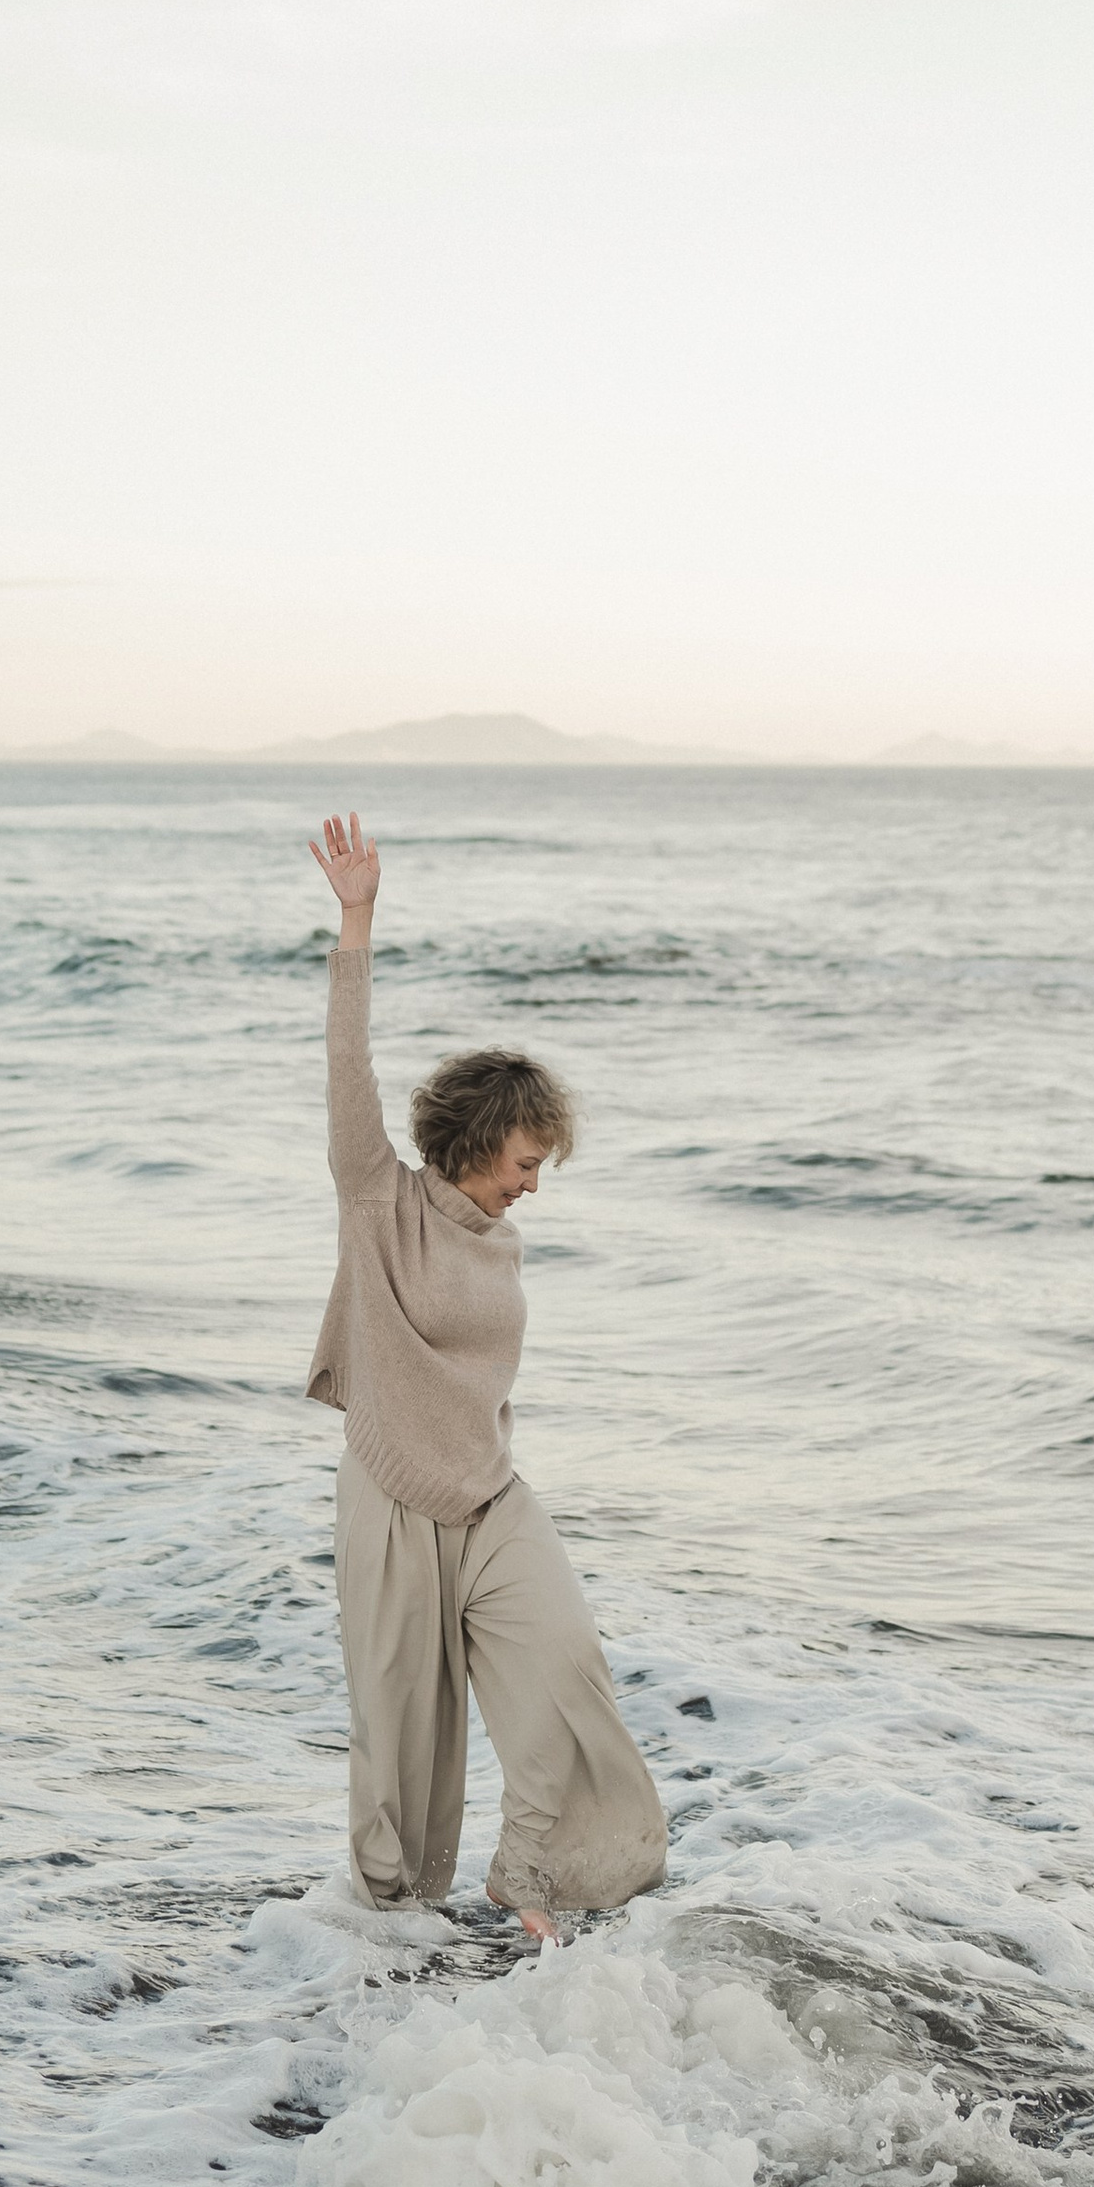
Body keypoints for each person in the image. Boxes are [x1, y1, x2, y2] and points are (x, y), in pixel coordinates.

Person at [304, 810, 668, 1942]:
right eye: (525, 1163)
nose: (534, 1187)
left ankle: (534, 1882)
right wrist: (359, 918)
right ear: (475, 1139)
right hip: (393, 1491)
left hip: (492, 1492)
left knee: (566, 1673)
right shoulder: (380, 1200)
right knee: (402, 1740)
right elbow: (346, 1064)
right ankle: (380, 1939)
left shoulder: (497, 1238)